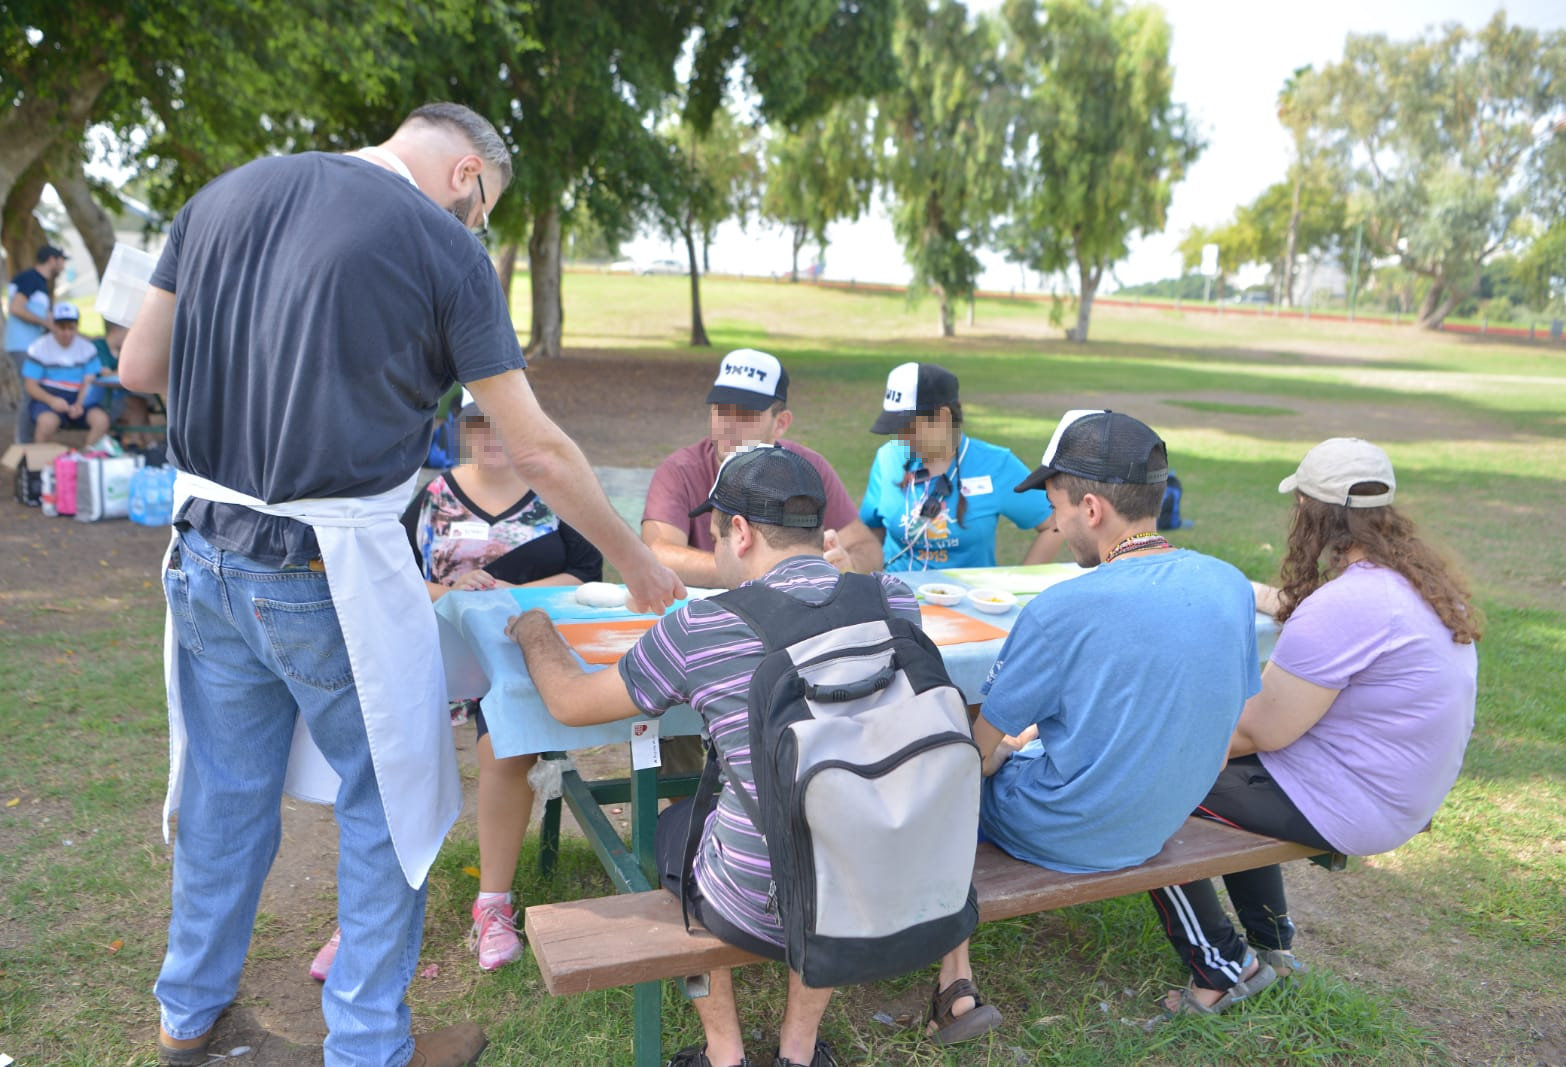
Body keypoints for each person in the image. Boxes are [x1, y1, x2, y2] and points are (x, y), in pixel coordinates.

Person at [119, 101, 684, 1067]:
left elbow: (139, 364)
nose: (477, 227)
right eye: (483, 208)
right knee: (391, 797)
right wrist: (634, 558)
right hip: (323, 565)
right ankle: (369, 1045)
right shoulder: (444, 247)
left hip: (204, 548)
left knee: (223, 790)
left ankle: (190, 1016)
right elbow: (538, 449)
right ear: (467, 172)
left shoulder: (223, 195)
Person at [505, 446, 999, 1067]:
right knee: (826, 823)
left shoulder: (700, 628)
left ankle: (725, 1051)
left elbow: (571, 703)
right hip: (877, 865)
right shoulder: (892, 597)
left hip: (759, 904)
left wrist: (533, 628)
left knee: (674, 826)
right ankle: (798, 1049)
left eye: (715, 534)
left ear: (738, 532)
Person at [1148, 437, 1479, 1017]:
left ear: (1307, 507)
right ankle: (1273, 948)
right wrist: (1245, 592)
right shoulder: (1405, 582)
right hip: (1398, 793)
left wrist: (1151, 741)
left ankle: (1222, 968)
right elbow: (1324, 624)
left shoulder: (1346, 604)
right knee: (1217, 773)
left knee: (1145, 789)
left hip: (1355, 804)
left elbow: (1259, 733)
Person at [308, 400, 604, 979]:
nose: (489, 435)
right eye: (476, 423)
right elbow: (390, 576)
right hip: (432, 656)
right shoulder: (431, 495)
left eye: (500, 422)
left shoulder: (554, 491)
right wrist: (454, 594)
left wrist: (504, 593)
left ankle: (492, 905)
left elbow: (588, 572)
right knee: (396, 763)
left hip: (517, 654)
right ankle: (364, 918)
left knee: (505, 753)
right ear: (458, 429)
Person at [971, 407, 1260, 878]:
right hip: (1157, 823)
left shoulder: (1058, 609)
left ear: (1090, 509)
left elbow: (978, 755)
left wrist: (1002, 748)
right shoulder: (1230, 584)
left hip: (1055, 828)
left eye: (1055, 509)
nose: (1056, 525)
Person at [642, 348, 883, 587]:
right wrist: (769, 572)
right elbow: (656, 553)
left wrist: (848, 564)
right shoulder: (681, 471)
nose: (728, 425)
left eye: (745, 414)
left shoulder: (806, 469)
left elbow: (866, 547)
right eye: (721, 410)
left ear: (780, 423)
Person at [859, 362, 1066, 572]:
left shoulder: (996, 464)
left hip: (968, 594)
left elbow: (1053, 525)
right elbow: (870, 532)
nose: (901, 439)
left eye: (908, 428)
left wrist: (1019, 582)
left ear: (943, 417)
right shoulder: (887, 458)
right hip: (895, 591)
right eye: (896, 429)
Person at [22, 303, 111, 444]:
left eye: (71, 328)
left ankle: (87, 454)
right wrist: (52, 400)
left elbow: (89, 381)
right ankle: (41, 457)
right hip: (49, 396)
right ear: (53, 326)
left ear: (77, 326)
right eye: (62, 328)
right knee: (46, 422)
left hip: (80, 395)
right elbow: (30, 386)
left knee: (101, 421)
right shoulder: (38, 348)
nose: (67, 333)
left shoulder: (88, 349)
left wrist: (80, 403)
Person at [5, 244, 68, 443]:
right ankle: (23, 444)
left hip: (32, 347)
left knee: (36, 392)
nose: (64, 265)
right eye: (62, 260)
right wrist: (46, 323)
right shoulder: (30, 278)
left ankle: (31, 440)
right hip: (22, 346)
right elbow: (16, 308)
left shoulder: (40, 282)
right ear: (51, 260)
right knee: (30, 393)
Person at [91, 321, 163, 447]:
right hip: (101, 399)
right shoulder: (100, 346)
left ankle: (146, 444)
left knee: (139, 403)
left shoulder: (121, 350)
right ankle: (144, 443)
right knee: (136, 404)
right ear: (116, 331)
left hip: (119, 396)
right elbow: (105, 374)